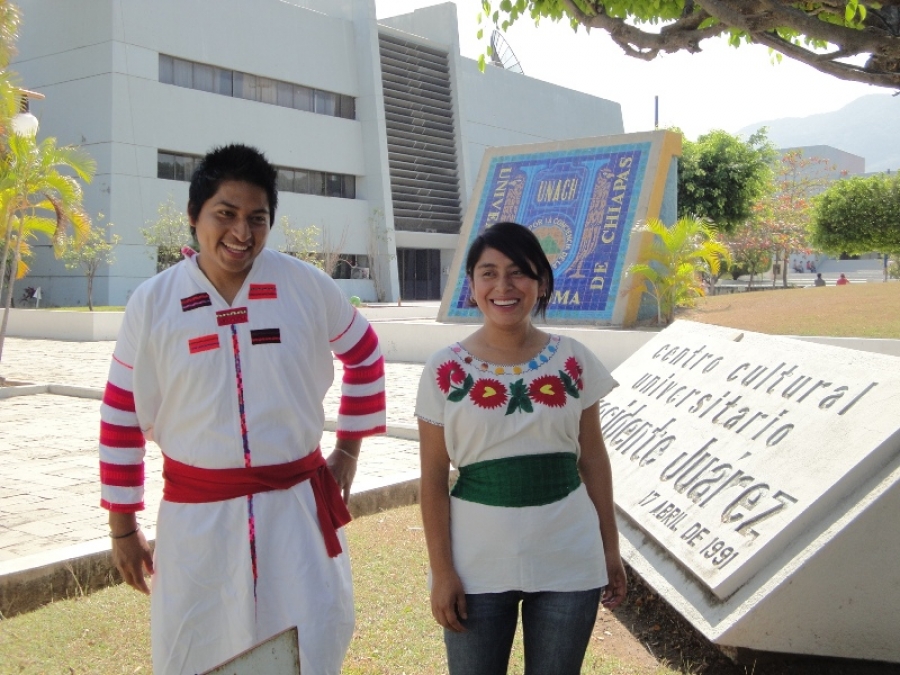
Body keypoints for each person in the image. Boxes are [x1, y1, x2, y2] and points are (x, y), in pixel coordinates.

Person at [99, 144, 385, 674]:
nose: (241, 233)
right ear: (194, 217)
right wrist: (122, 526)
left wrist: (347, 448)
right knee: (200, 650)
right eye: (225, 214)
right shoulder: (154, 302)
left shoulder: (305, 286)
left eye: (257, 218)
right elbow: (120, 414)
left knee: (309, 643)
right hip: (197, 522)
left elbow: (365, 354)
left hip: (296, 513)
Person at [416, 222, 627, 675]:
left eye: (518, 272)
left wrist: (610, 549)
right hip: (476, 565)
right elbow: (432, 478)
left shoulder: (573, 359)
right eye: (488, 273)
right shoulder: (445, 368)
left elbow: (592, 459)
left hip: (569, 557)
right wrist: (443, 572)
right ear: (471, 285)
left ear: (541, 282)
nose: (503, 286)